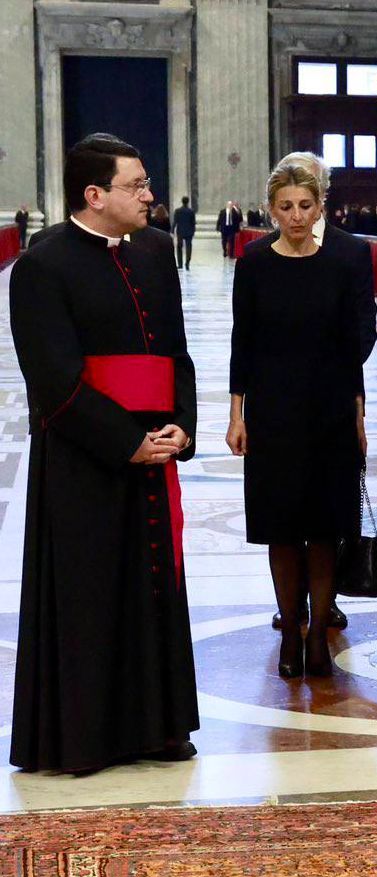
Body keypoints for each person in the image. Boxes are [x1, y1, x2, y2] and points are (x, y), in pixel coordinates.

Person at [9, 132, 199, 773]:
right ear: (94, 195)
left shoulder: (153, 252)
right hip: (84, 461)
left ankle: (159, 729)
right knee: (91, 593)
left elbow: (175, 353)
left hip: (155, 450)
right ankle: (87, 738)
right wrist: (127, 442)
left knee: (153, 590)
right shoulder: (42, 264)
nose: (150, 195)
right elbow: (53, 380)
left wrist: (181, 426)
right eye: (136, 185)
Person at [227, 157, 369, 679]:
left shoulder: (342, 261)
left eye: (305, 206)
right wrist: (236, 412)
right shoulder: (254, 262)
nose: (296, 216)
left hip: (330, 407)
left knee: (326, 526)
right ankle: (290, 629)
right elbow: (243, 341)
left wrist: (359, 417)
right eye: (285, 207)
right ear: (270, 210)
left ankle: (317, 642)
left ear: (320, 207)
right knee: (282, 527)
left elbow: (354, 347)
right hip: (272, 410)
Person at [173, 196, 195, 270]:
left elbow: (175, 222)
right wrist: (193, 231)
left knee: (179, 248)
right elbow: (193, 223)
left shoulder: (178, 211)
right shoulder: (191, 211)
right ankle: (187, 263)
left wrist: (172, 230)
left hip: (180, 231)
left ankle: (180, 264)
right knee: (189, 248)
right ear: (188, 202)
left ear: (182, 201)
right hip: (189, 232)